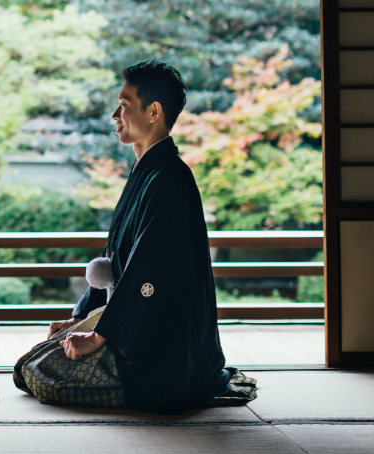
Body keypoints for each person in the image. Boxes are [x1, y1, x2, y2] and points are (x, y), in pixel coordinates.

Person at [17, 61, 251, 414]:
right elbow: (114, 263)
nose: (114, 114)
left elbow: (150, 273)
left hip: (160, 352)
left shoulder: (170, 179)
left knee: (37, 371)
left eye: (124, 105)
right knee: (33, 362)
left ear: (154, 111)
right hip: (132, 328)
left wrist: (98, 335)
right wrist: (80, 319)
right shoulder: (149, 171)